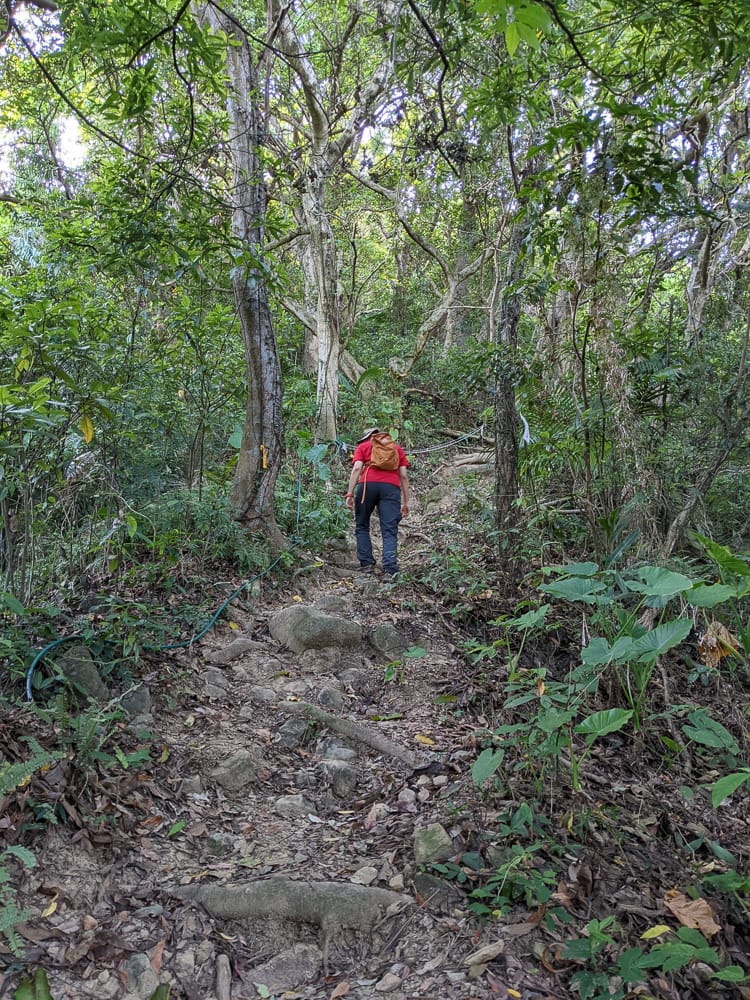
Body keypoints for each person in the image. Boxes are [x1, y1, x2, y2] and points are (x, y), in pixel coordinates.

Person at [345, 427, 411, 577]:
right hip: (391, 488)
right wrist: (406, 502)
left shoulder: (363, 447)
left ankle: (367, 564)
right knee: (389, 529)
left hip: (367, 485)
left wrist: (349, 493)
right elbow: (403, 475)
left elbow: (356, 469)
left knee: (362, 525)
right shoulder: (396, 448)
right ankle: (389, 568)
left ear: (367, 437)